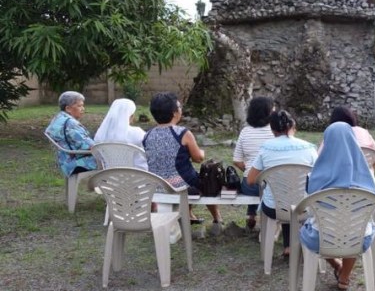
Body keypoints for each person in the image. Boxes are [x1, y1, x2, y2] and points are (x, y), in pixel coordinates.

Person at [299, 121, 375, 291]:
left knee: (309, 228)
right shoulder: (369, 178)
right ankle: (344, 276)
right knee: (355, 227)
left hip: (322, 239)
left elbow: (308, 210)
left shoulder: (314, 178)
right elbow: (374, 208)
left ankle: (336, 264)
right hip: (359, 240)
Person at [142, 92, 222, 231]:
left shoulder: (147, 135)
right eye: (179, 107)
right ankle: (217, 218)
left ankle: (188, 214)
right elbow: (198, 158)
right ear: (174, 113)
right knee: (206, 180)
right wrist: (202, 152)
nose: (181, 109)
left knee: (189, 176)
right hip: (181, 188)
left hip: (157, 187)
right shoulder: (182, 133)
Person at [246, 110, 318, 258]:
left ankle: (288, 247)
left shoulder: (267, 148)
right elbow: (318, 178)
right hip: (303, 207)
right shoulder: (309, 148)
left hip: (273, 208)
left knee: (283, 198)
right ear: (293, 125)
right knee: (292, 198)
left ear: (272, 130)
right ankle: (291, 246)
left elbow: (251, 180)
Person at [233, 96, 275, 230]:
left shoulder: (245, 132)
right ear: (269, 112)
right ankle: (270, 221)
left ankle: (251, 215)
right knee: (266, 185)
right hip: (273, 184)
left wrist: (250, 170)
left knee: (255, 179)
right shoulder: (275, 131)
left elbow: (237, 160)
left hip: (249, 186)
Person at [44, 91, 98, 176]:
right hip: (75, 164)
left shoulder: (58, 118)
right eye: (79, 106)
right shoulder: (70, 124)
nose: (83, 109)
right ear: (68, 108)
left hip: (65, 161)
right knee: (112, 160)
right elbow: (90, 146)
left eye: (83, 105)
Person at [321, 106, 375, 173]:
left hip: (340, 176)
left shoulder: (331, 134)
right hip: (366, 177)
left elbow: (318, 159)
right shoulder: (364, 132)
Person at [94, 98, 148, 170]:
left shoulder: (101, 135)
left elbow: (99, 157)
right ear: (130, 115)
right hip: (138, 174)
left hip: (110, 175)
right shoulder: (136, 133)